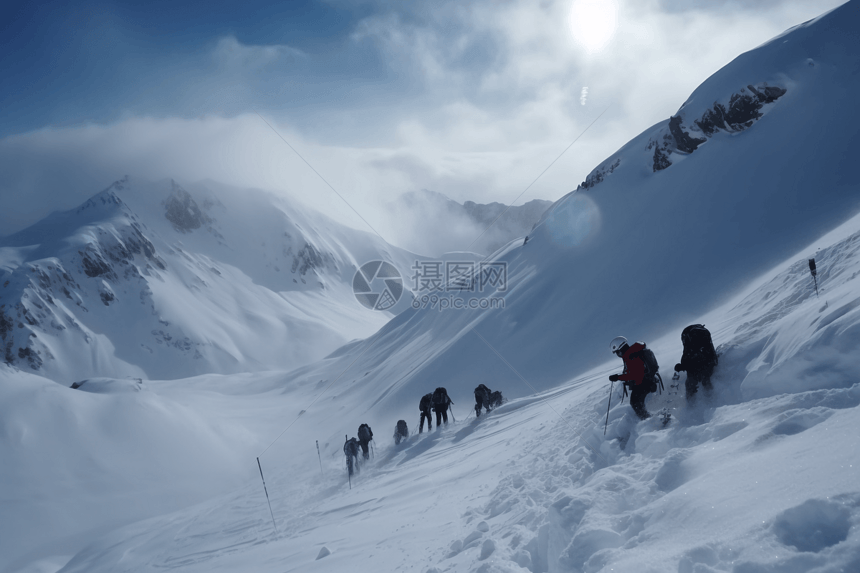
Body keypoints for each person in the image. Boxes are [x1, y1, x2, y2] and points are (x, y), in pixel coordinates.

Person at [608, 336, 658, 420]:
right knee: (637, 403)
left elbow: (636, 375)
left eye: (618, 352)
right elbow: (634, 372)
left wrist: (618, 377)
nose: (618, 355)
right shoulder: (632, 353)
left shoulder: (631, 355)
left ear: (621, 348)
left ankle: (650, 420)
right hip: (646, 381)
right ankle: (650, 419)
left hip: (643, 384)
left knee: (635, 403)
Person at [674, 324, 718, 404]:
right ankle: (712, 400)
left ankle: (691, 406)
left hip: (694, 367)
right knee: (706, 381)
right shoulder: (704, 336)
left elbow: (686, 357)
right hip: (708, 363)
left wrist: (681, 366)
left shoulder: (689, 338)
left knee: (690, 384)